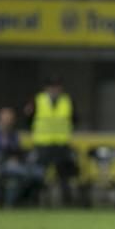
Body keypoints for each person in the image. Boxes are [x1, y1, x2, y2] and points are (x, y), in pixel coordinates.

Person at [24, 76, 79, 206]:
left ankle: (67, 203)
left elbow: (75, 119)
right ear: (46, 88)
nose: (55, 89)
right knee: (39, 175)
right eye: (52, 86)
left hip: (61, 144)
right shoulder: (37, 100)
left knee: (64, 176)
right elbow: (28, 120)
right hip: (43, 144)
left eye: (57, 86)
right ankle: (34, 201)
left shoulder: (68, 101)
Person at [0, 107, 43, 207]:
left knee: (38, 173)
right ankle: (10, 203)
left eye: (10, 119)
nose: (8, 122)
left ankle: (23, 201)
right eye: (6, 119)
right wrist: (4, 159)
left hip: (16, 165)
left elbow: (18, 151)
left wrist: (19, 158)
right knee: (21, 175)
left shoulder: (13, 134)